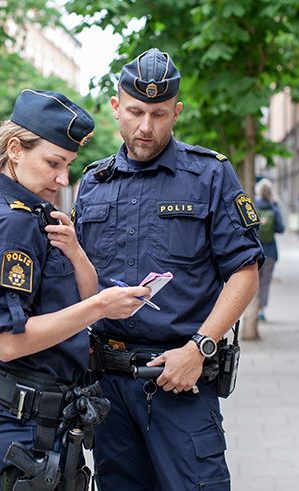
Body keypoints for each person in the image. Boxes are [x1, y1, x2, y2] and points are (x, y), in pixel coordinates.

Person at [73, 48, 264, 490]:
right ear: (116, 107)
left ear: (176, 111)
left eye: (159, 114)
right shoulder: (92, 184)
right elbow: (79, 280)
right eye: (136, 111)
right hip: (109, 387)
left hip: (180, 379)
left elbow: (245, 270)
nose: (146, 126)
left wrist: (200, 348)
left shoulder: (208, 175)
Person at [0, 89, 152, 490]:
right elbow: (7, 344)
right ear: (16, 149)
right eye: (54, 163)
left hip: (48, 418)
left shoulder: (36, 214)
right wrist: (100, 306)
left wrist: (78, 253)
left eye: (68, 165)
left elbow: (78, 298)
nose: (63, 179)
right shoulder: (9, 223)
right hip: (26, 421)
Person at [254, 178, 285, 321]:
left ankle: (252, 308)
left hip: (254, 251)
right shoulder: (273, 208)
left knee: (253, 281)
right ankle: (261, 310)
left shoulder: (252, 206)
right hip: (270, 251)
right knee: (265, 281)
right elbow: (281, 228)